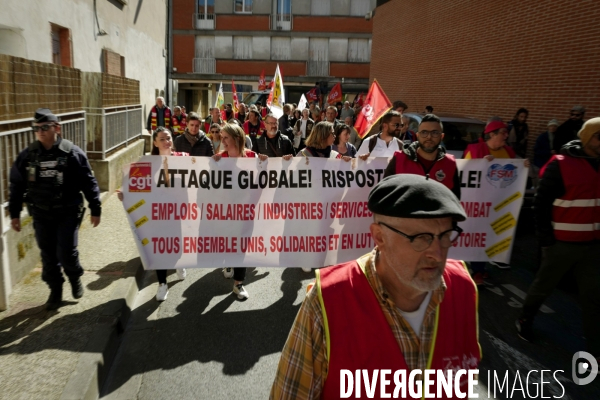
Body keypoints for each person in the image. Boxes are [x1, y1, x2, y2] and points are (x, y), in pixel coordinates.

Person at [270, 174, 480, 399]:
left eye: (446, 235)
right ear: (379, 236)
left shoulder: (464, 288)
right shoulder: (329, 301)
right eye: (422, 237)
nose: (438, 254)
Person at [516, 118, 600, 360]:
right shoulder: (560, 165)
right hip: (561, 245)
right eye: (598, 137)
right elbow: (540, 205)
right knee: (543, 287)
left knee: (594, 297)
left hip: (593, 247)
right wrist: (547, 241)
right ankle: (525, 318)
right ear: (587, 137)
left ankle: (596, 348)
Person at [9, 108, 102, 310]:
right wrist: (15, 214)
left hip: (67, 211)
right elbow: (16, 184)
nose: (40, 131)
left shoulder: (72, 153)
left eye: (45, 127)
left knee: (66, 251)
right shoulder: (28, 155)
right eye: (37, 128)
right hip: (41, 213)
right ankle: (55, 289)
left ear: (56, 128)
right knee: (48, 254)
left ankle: (75, 277)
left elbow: (88, 181)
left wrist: (95, 207)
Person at [117, 127, 187, 301]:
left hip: (178, 211)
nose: (166, 141)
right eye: (162, 139)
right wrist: (125, 194)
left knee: (177, 243)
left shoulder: (184, 158)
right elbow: (135, 186)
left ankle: (179, 263)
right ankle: (162, 284)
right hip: (157, 213)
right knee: (159, 248)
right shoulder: (146, 163)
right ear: (155, 143)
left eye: (168, 138)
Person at [463, 119, 530, 283]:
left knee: (489, 236)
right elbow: (464, 173)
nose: (507, 136)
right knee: (477, 236)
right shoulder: (475, 149)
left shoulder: (509, 152)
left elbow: (514, 176)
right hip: (478, 203)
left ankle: (481, 267)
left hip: (498, 204)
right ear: (491, 134)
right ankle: (477, 270)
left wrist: (524, 166)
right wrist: (480, 165)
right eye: (503, 132)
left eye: (507, 132)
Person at [212, 124, 268, 299]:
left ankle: (238, 284)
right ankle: (228, 262)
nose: (222, 141)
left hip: (246, 211)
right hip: (226, 212)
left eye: (225, 137)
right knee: (229, 243)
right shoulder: (219, 158)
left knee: (241, 245)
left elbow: (265, 177)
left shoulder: (252, 156)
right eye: (221, 137)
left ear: (237, 138)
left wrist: (266, 163)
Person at [384, 114, 460, 199]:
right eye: (424, 132)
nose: (429, 137)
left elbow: (455, 201)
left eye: (434, 133)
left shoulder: (450, 164)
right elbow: (384, 195)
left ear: (441, 136)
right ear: (417, 136)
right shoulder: (399, 159)